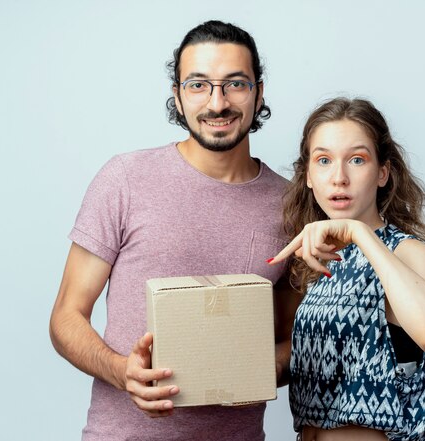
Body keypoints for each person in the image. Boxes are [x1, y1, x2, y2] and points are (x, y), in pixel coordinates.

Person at [49, 20, 301, 441]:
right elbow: (65, 317)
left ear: (259, 93)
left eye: (235, 84)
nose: (217, 103)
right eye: (198, 85)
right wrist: (120, 371)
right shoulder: (125, 179)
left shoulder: (292, 206)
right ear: (178, 97)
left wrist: (257, 369)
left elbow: (293, 341)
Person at [268, 98, 425, 440]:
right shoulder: (317, 260)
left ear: (383, 172)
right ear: (308, 176)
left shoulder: (404, 251)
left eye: (357, 159)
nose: (339, 178)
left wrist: (360, 233)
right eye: (323, 160)